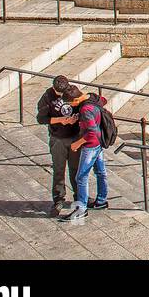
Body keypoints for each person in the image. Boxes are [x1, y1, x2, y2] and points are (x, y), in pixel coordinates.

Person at [58, 84, 108, 223]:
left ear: (75, 101)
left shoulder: (86, 109)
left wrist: (77, 143)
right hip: (99, 143)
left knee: (81, 177)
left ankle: (81, 209)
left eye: (69, 103)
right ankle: (101, 201)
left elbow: (92, 131)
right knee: (101, 172)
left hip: (91, 146)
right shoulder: (93, 97)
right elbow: (104, 101)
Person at [37, 74, 79, 216]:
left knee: (76, 170)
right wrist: (61, 120)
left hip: (73, 137)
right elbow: (41, 119)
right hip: (58, 139)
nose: (62, 95)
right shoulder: (47, 97)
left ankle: (79, 197)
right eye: (59, 93)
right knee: (59, 170)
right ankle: (58, 199)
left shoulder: (71, 91)